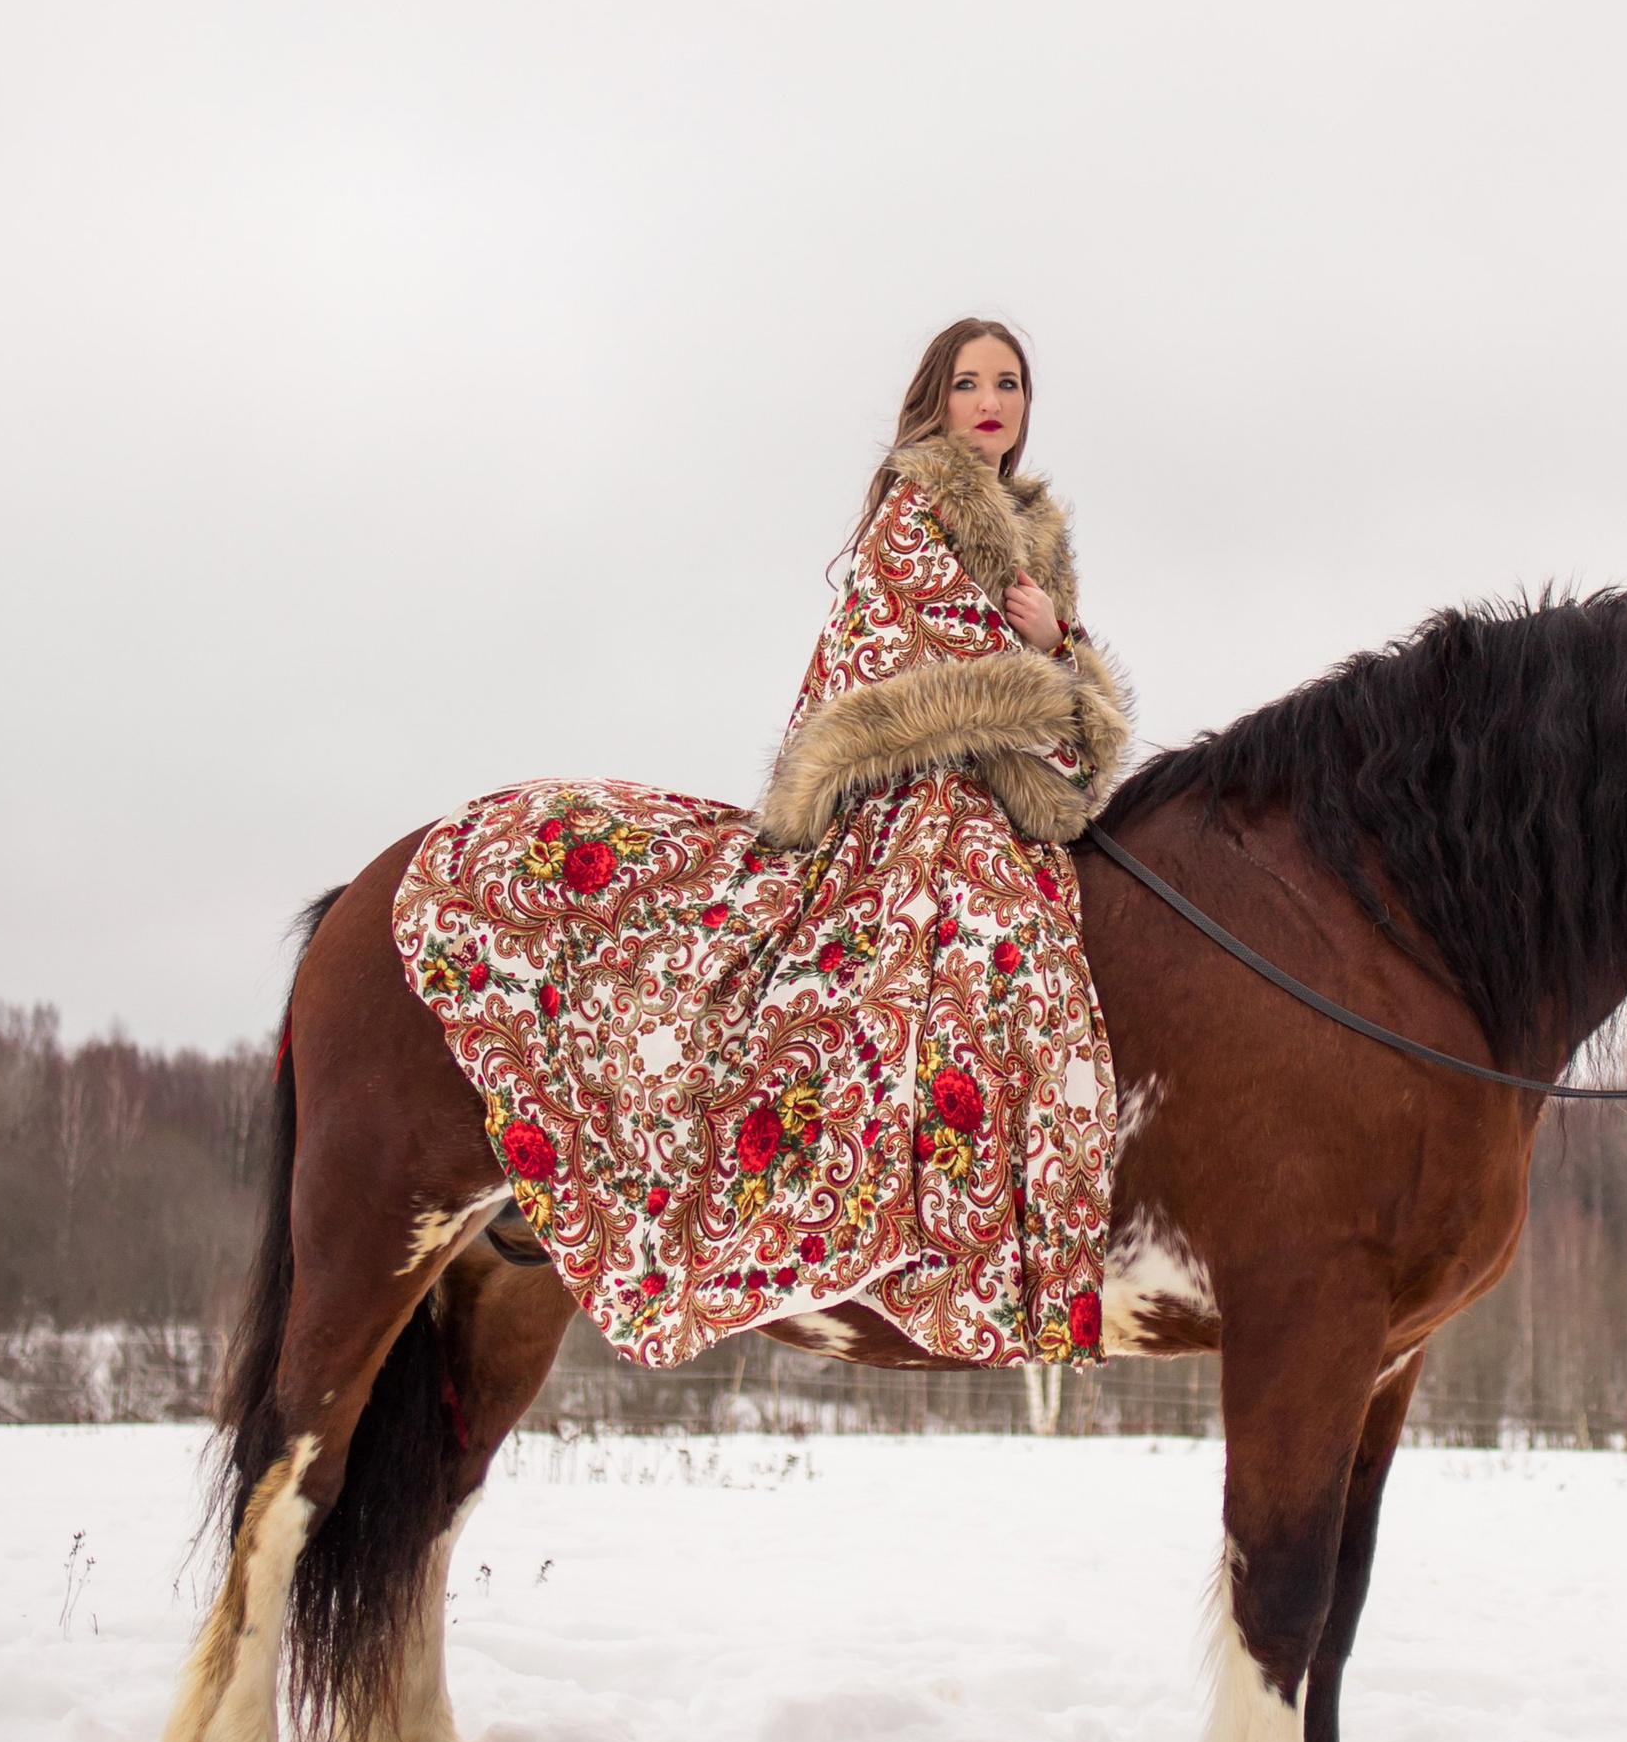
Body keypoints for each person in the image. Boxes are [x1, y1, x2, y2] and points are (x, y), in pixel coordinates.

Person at [394, 318, 1127, 1368]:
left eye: (1008, 383)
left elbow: (1071, 749)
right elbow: (938, 674)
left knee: (1040, 955)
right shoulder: (913, 508)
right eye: (967, 382)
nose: (990, 400)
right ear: (937, 398)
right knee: (936, 950)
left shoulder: (1038, 544)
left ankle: (1014, 1232)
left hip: (1000, 804)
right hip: (901, 795)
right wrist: (1049, 665)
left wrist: (1063, 648)